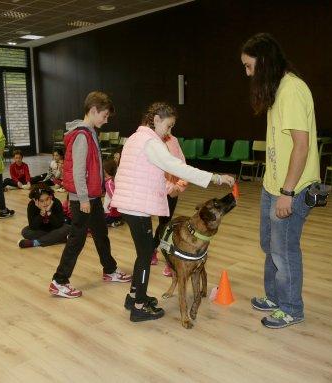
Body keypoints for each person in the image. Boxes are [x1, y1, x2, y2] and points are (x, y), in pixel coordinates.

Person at [111, 102, 234, 322]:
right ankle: (139, 306)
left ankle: (133, 297)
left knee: (144, 252)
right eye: (168, 126)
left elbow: (145, 174)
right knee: (145, 255)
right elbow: (176, 167)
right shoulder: (150, 141)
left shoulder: (135, 138)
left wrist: (170, 188)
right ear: (156, 119)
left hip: (131, 205)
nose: (169, 132)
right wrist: (215, 178)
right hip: (136, 207)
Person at [241, 33, 320, 329]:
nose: (247, 74)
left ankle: (291, 308)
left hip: (292, 188)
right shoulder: (276, 91)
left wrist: (287, 192)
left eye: (249, 67)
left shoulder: (293, 90)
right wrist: (270, 185)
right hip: (271, 185)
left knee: (284, 250)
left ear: (263, 63)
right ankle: (275, 297)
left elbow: (302, 145)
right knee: (269, 244)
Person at [48, 91, 131, 299]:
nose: (106, 120)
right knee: (77, 239)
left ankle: (109, 270)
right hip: (82, 199)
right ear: (93, 111)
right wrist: (83, 199)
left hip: (92, 197)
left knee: (101, 233)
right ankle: (59, 281)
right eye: (104, 115)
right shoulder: (82, 136)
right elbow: (77, 171)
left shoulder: (90, 131)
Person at [151, 132, 188, 277]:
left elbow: (182, 164)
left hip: (173, 190)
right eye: (168, 125)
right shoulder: (152, 141)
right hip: (158, 190)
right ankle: (166, 258)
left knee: (165, 224)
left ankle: (154, 250)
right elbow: (154, 170)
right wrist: (169, 188)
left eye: (172, 126)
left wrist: (179, 186)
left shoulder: (174, 140)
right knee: (165, 224)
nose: (170, 129)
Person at [102, 158, 122, 227]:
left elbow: (114, 198)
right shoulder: (113, 180)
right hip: (115, 210)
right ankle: (116, 220)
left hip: (110, 211)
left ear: (105, 170)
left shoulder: (109, 183)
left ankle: (115, 221)